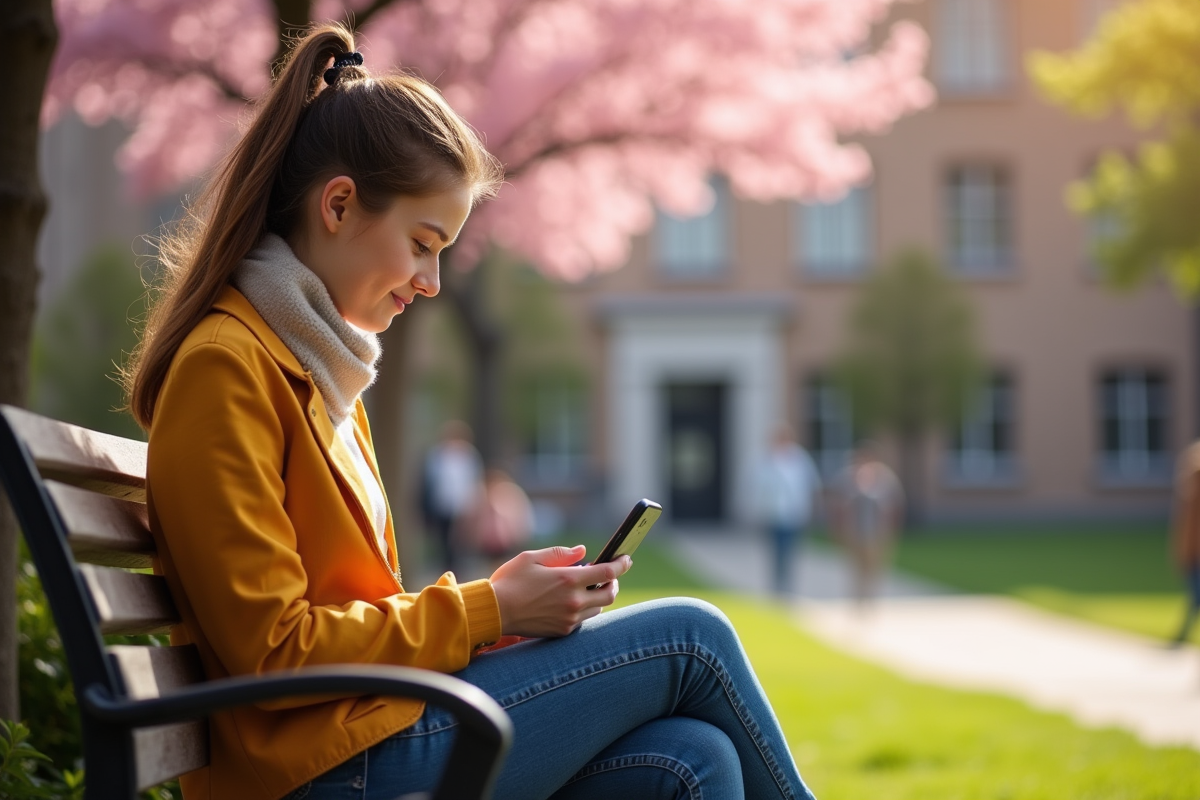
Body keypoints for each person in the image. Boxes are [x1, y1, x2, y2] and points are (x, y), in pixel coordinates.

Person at [130, 24, 816, 800]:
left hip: (354, 738)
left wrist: (500, 621)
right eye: (423, 244)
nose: (430, 281)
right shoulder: (230, 367)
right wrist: (485, 610)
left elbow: (356, 612)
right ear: (340, 204)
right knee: (695, 637)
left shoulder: (313, 368)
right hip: (315, 771)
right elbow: (272, 653)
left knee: (694, 759)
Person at [830, 442, 904, 607]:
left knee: (875, 569)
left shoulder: (886, 478)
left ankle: (870, 600)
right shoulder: (847, 477)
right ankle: (858, 600)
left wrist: (892, 530)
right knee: (856, 569)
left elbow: (896, 505)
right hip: (854, 533)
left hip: (878, 533)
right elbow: (837, 505)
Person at [757, 425, 823, 596]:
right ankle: (777, 586)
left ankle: (787, 587)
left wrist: (812, 509)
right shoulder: (768, 459)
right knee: (776, 551)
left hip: (794, 513)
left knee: (791, 550)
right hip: (773, 514)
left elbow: (811, 484)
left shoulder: (800, 459)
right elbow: (758, 485)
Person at [421, 420, 484, 574]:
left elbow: (473, 481)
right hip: (442, 506)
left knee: (459, 542)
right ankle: (447, 570)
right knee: (444, 542)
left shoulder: (469, 456)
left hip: (462, 508)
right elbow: (430, 481)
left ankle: (458, 571)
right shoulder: (437, 456)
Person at [460, 468, 535, 572]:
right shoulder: (480, 496)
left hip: (505, 542)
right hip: (488, 544)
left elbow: (520, 519)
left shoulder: (510, 495)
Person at [1169, 440, 1200, 647]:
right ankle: (1180, 636)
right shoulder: (1190, 502)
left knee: (1195, 598)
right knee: (1195, 597)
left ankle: (1180, 636)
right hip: (1193, 555)